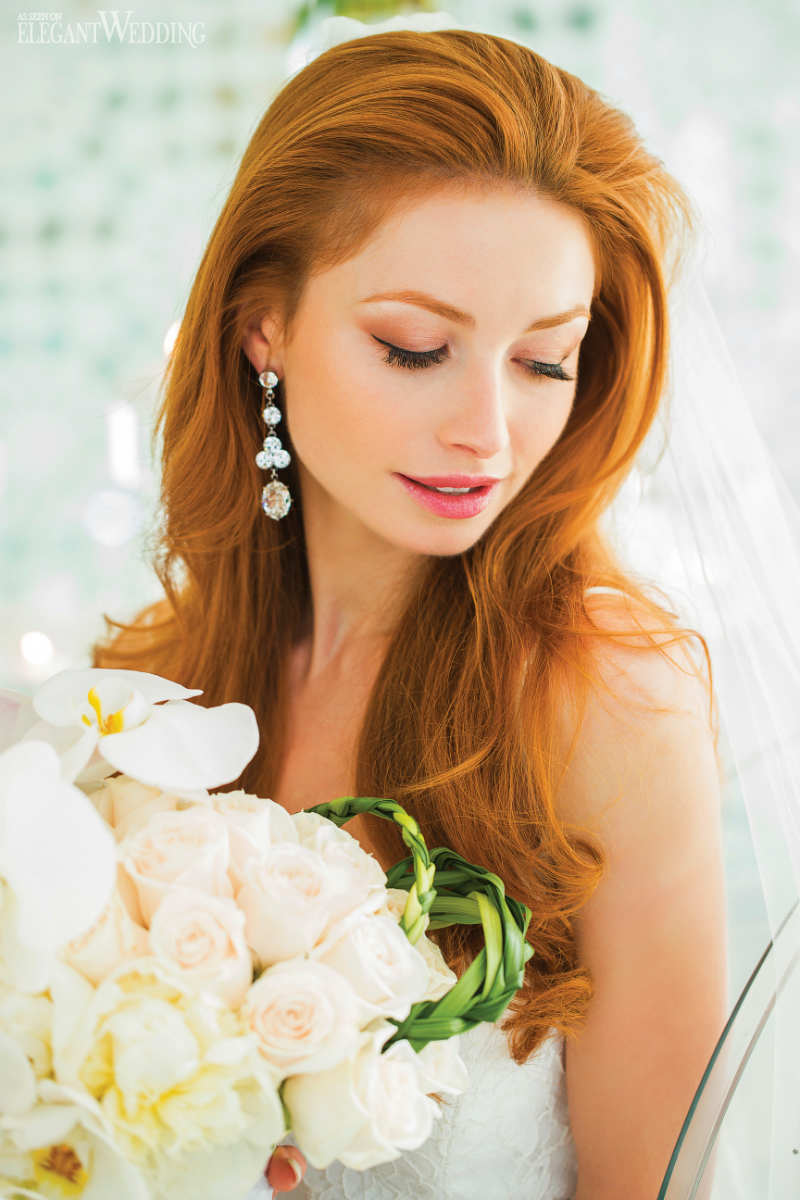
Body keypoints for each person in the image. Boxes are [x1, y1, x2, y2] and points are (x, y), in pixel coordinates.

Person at [90, 22, 732, 1200]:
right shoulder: (146, 701)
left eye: (544, 362)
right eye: (415, 347)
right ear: (261, 327)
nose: (486, 433)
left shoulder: (608, 709)